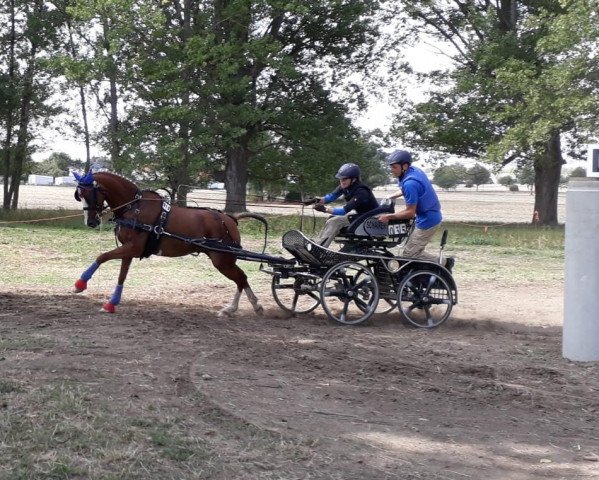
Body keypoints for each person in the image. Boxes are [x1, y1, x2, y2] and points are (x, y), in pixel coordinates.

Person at [377, 149, 454, 271]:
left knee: (409, 254)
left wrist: (389, 216)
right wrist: (391, 196)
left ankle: (444, 263)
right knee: (410, 250)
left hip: (428, 220)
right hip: (427, 216)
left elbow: (409, 212)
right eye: (391, 167)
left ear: (405, 166)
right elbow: (405, 189)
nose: (391, 170)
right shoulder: (413, 172)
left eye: (394, 167)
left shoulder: (410, 183)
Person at [312, 163, 379, 248]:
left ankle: (319, 248)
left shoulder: (361, 191)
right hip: (361, 215)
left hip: (369, 217)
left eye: (345, 179)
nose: (342, 181)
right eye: (340, 179)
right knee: (331, 218)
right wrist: (316, 200)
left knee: (334, 221)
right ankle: (318, 243)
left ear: (354, 179)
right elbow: (331, 197)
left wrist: (324, 209)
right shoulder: (345, 186)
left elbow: (344, 211)